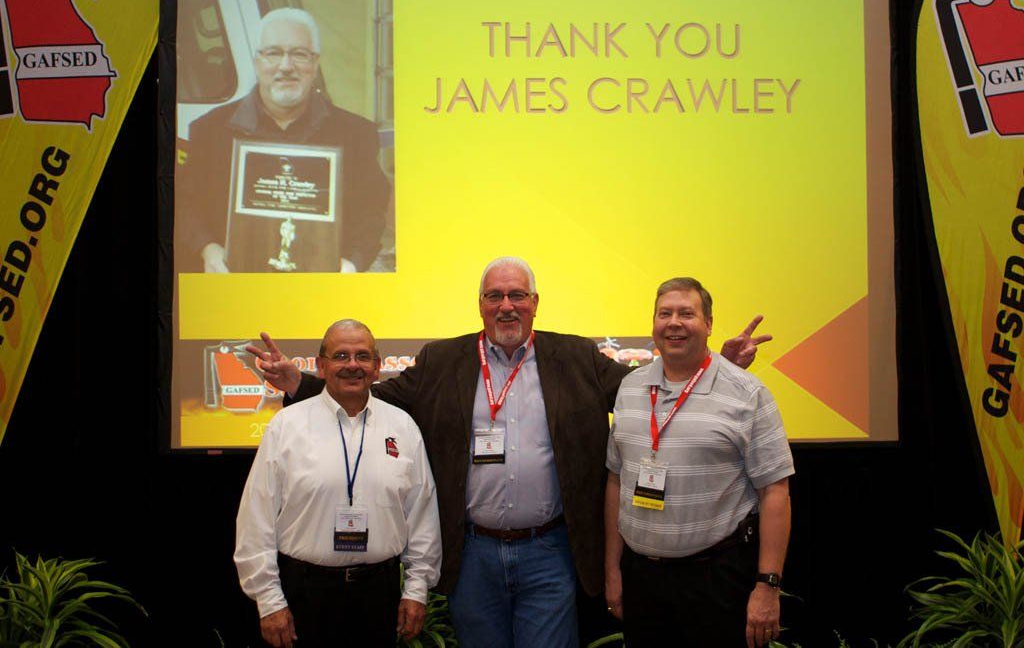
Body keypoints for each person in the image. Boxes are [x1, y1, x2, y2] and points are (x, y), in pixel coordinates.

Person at [248, 257, 772, 648]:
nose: (506, 306)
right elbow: (369, 394)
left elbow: (646, 392)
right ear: (480, 304)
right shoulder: (443, 360)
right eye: (495, 296)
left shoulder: (576, 356)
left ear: (535, 303)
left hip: (550, 550)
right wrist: (298, 382)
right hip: (473, 552)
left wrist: (711, 366)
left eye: (517, 295)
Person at [604, 278, 794, 648]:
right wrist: (613, 569)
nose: (674, 323)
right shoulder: (630, 388)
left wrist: (767, 586)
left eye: (686, 314)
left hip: (717, 580)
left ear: (708, 324)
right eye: (665, 314)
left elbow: (775, 491)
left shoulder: (747, 393)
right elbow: (616, 479)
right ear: (653, 323)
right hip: (642, 579)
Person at [234, 319, 440, 648]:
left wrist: (416, 591)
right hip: (304, 595)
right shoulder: (286, 426)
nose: (352, 365)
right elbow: (255, 520)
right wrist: (269, 601)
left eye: (363, 356)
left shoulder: (402, 427)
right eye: (340, 356)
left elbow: (422, 516)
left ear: (377, 367)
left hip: (378, 595)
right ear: (321, 365)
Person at [177, 7, 390, 273]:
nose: (286, 66)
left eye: (300, 54)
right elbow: (185, 204)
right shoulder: (209, 131)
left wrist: (353, 262)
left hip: (320, 286)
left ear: (315, 64)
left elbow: (370, 212)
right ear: (257, 61)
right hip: (235, 283)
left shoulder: (356, 135)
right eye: (273, 53)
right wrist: (207, 248)